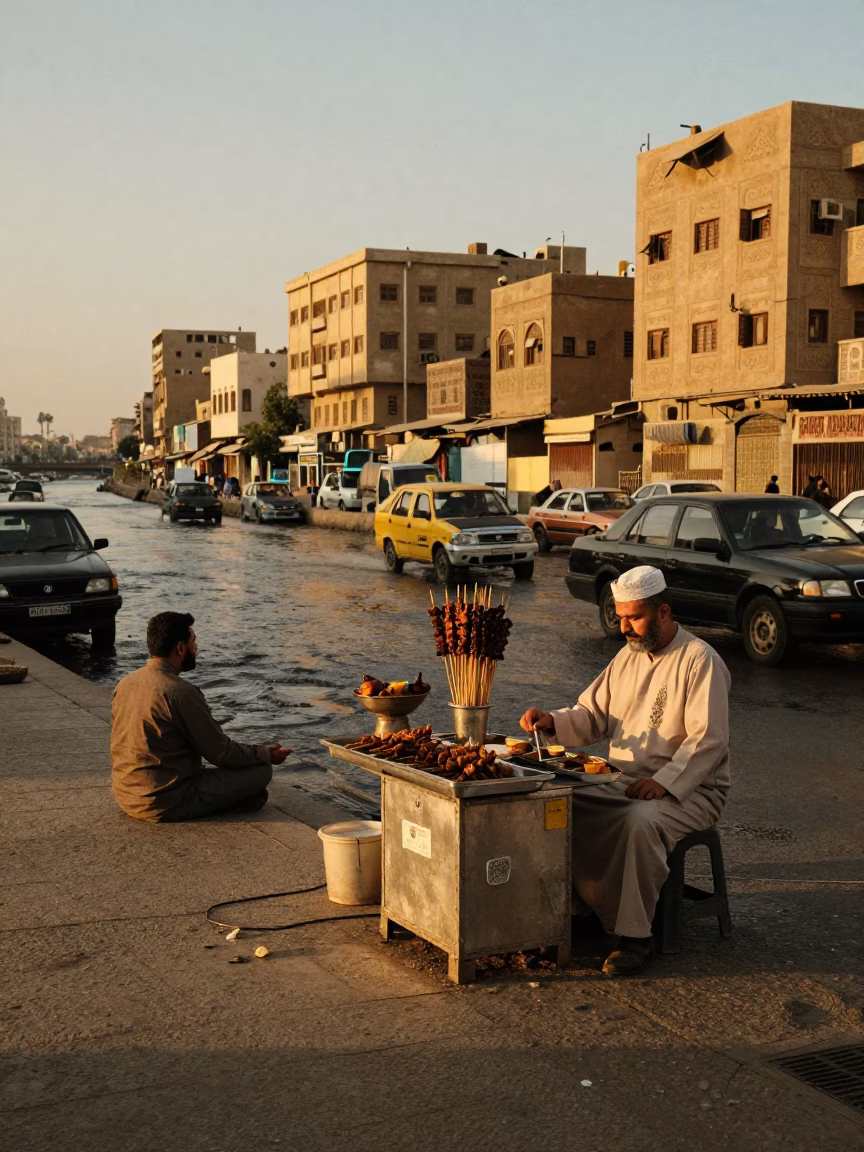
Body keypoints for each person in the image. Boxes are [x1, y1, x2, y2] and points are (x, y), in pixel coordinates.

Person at [520, 565, 730, 977]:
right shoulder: (627, 657)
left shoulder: (700, 660)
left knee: (639, 822)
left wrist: (664, 783)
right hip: (624, 779)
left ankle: (636, 937)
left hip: (692, 789)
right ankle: (582, 912)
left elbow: (708, 740)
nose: (624, 628)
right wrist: (553, 721)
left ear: (663, 612)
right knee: (557, 802)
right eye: (620, 617)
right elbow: (591, 713)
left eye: (634, 617)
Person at [110, 612, 292, 823]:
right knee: (261, 771)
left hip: (126, 794)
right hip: (165, 801)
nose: (196, 648)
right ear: (180, 648)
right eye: (193, 641)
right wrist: (265, 754)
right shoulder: (180, 692)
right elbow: (221, 753)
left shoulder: (125, 683)